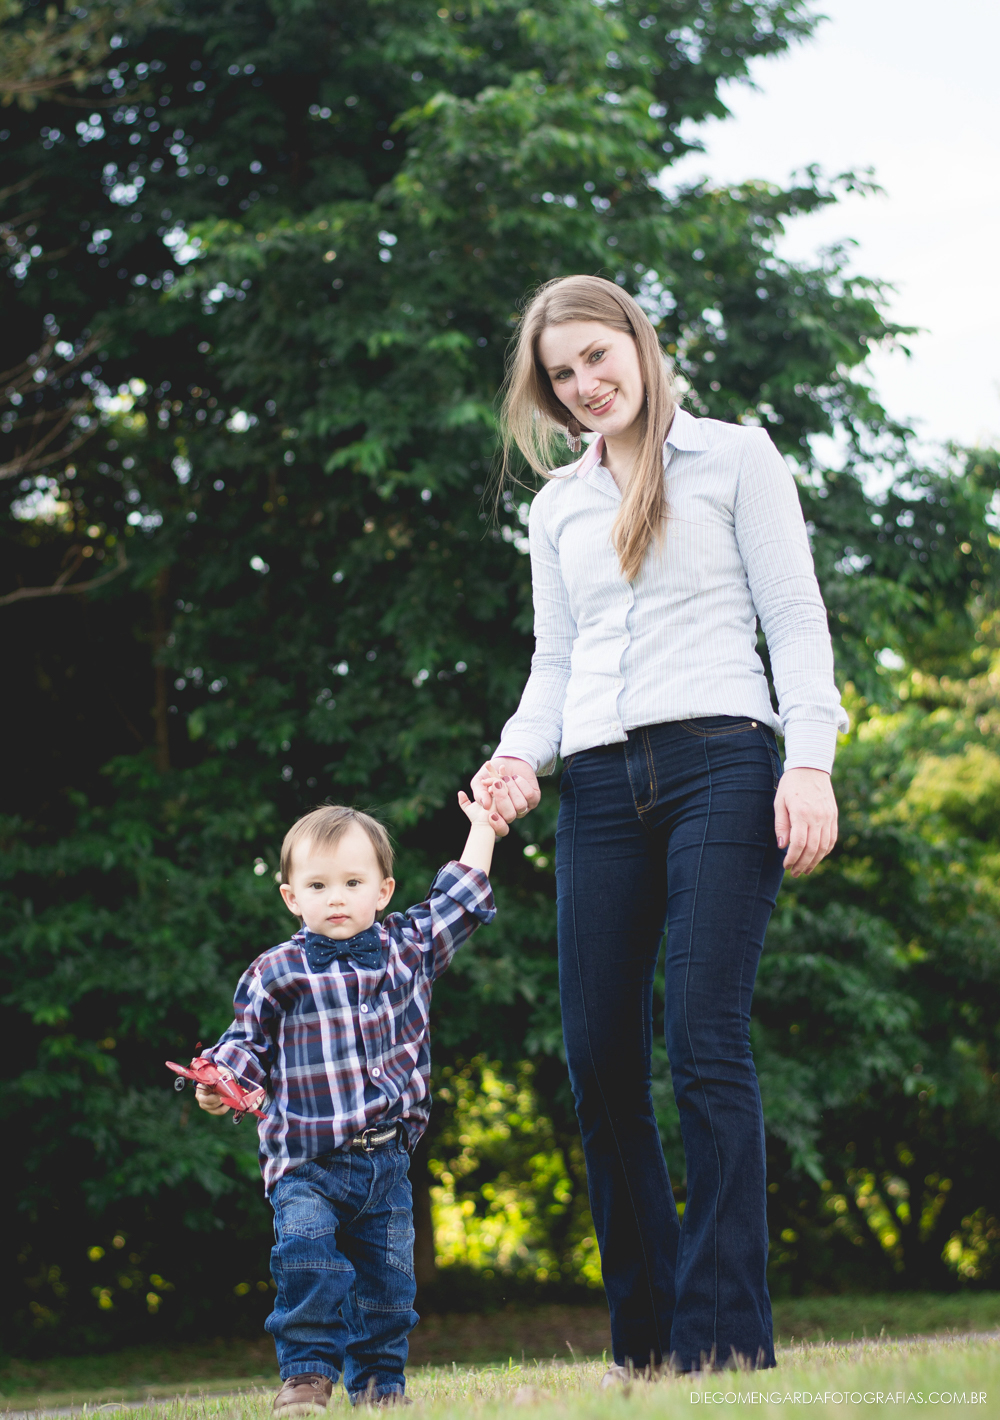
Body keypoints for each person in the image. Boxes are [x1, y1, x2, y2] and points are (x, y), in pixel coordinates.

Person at [471, 274, 847, 1376]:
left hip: (722, 763)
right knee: (598, 1061)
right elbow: (554, 661)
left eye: (597, 355)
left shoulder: (735, 457)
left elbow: (794, 618)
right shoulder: (557, 507)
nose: (585, 384)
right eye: (562, 374)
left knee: (703, 1043)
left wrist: (811, 763)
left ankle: (723, 1340)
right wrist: (515, 755)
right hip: (595, 786)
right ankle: (645, 1347)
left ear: (636, 341)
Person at [195, 794, 504, 1413]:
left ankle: (380, 1386)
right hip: (305, 1160)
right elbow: (245, 1043)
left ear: (383, 890)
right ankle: (307, 1376)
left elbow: (460, 900)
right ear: (292, 897)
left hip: (385, 1162)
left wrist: (483, 828)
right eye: (318, 885)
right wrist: (220, 1080)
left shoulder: (407, 950)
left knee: (389, 1287)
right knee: (308, 1263)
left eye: (353, 883)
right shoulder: (275, 972)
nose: (336, 898)